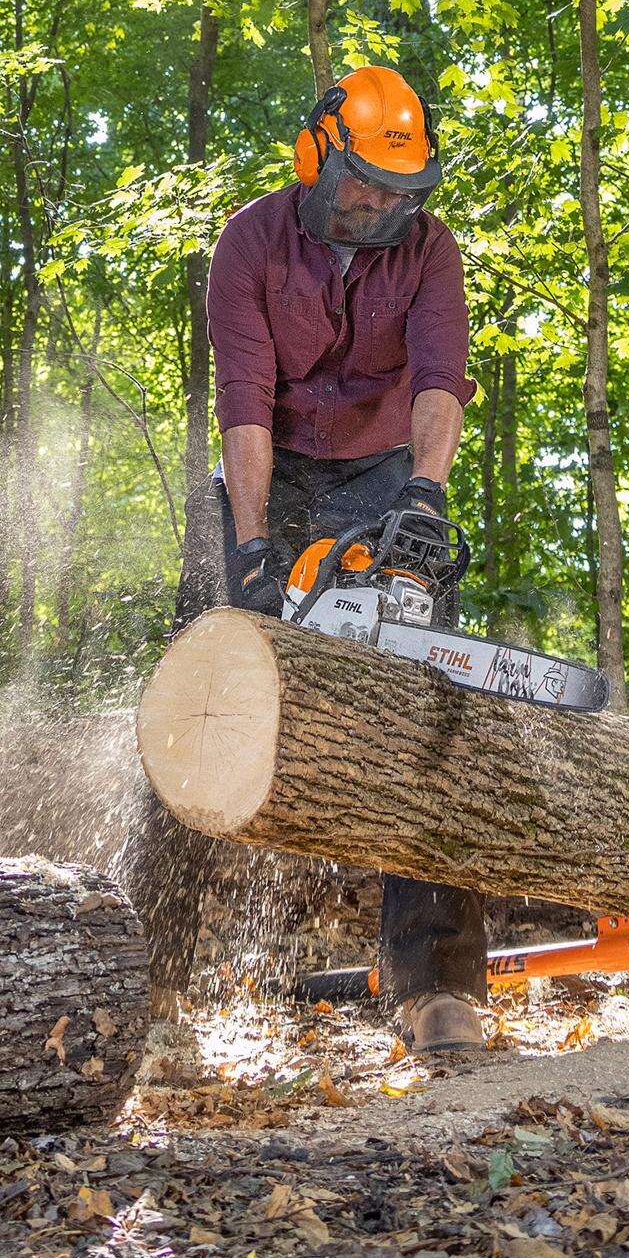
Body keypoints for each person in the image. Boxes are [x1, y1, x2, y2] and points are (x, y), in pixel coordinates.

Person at [175, 64, 485, 1052]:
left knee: (426, 698)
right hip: (272, 470)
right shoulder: (251, 240)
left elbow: (441, 378)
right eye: (364, 185)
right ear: (318, 155)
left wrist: (425, 496)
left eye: (401, 191)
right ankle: (156, 957)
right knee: (206, 684)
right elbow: (244, 406)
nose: (381, 206)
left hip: (384, 469)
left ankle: (432, 978)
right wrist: (258, 550)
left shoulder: (431, 253)